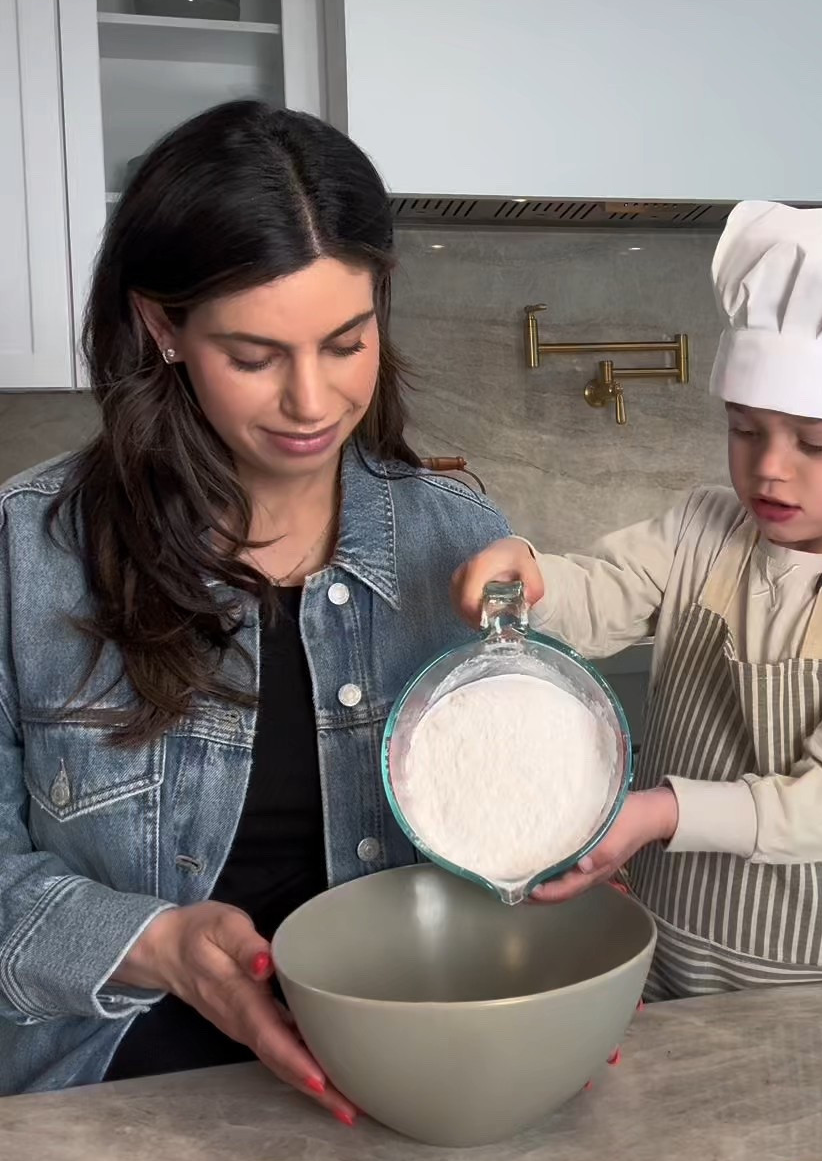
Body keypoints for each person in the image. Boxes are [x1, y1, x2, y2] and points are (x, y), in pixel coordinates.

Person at [0, 100, 508, 1102]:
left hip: (409, 1091)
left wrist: (552, 973)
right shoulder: (28, 552)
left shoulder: (459, 540)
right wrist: (160, 946)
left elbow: (517, 840)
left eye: (346, 342)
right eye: (254, 357)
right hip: (111, 1107)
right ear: (164, 328)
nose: (311, 403)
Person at [455, 201, 822, 997]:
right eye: (747, 430)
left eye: (815, 442)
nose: (770, 467)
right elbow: (603, 593)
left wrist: (660, 813)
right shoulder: (703, 529)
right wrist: (532, 574)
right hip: (666, 954)